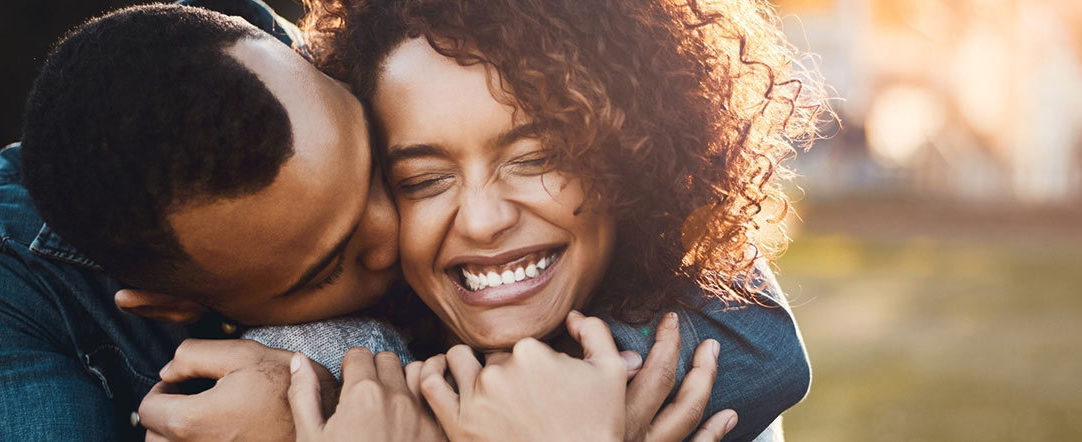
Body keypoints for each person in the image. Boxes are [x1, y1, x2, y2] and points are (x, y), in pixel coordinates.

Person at [0, 2, 810, 441]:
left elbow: (760, 339)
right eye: (329, 259)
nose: (405, 235)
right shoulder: (2, 277)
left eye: (382, 167)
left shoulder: (383, 64)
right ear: (173, 304)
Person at [291, 0, 825, 439]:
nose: (482, 220)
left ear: (634, 155)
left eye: (537, 160)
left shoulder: (710, 338)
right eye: (422, 181)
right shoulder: (315, 358)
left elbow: (774, 355)